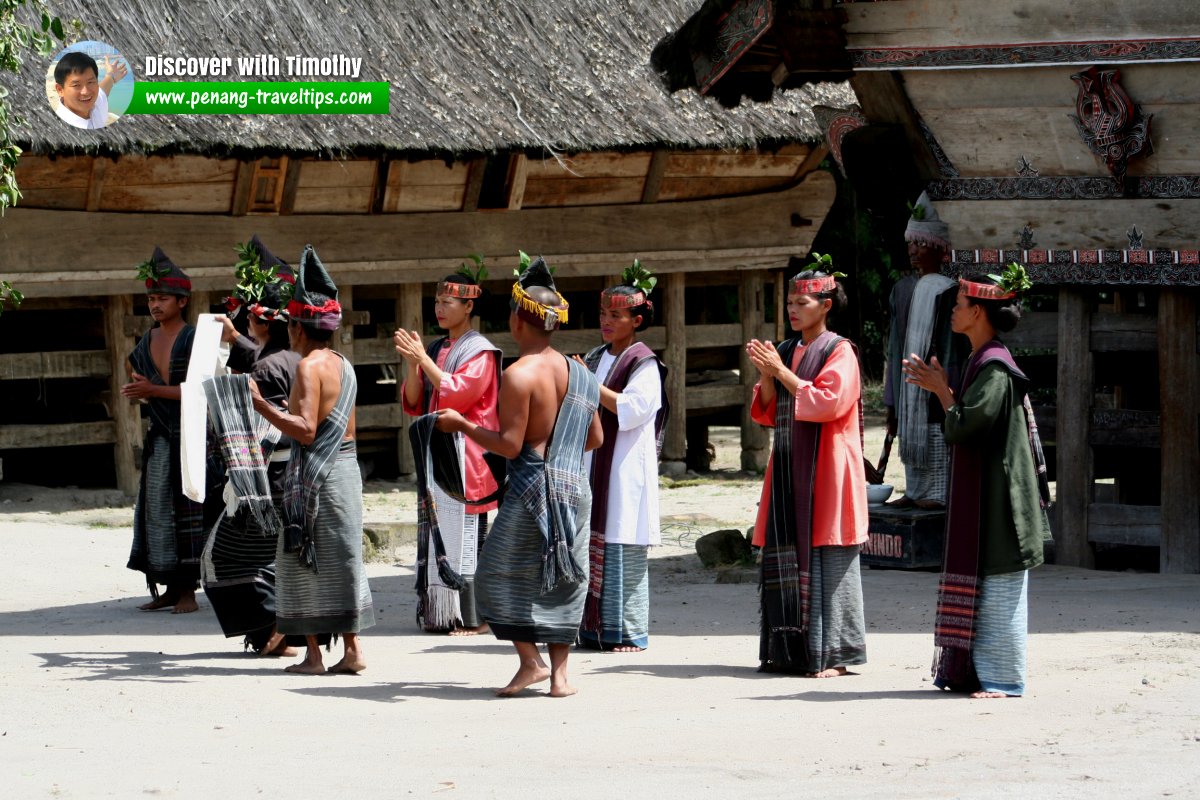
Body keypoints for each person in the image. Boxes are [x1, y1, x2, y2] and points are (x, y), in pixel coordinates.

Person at [435, 256, 602, 697]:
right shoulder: (581, 373)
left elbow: (510, 446)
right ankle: (561, 676)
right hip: (574, 487)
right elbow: (595, 438)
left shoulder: (519, 374)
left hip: (533, 490)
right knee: (565, 575)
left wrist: (463, 425)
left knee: (493, 574)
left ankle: (531, 662)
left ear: (518, 320)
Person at [902, 264, 1050, 699]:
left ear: (980, 313)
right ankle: (983, 674)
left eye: (961, 304)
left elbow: (968, 427)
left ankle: (1004, 679)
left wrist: (942, 392)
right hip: (991, 493)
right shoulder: (979, 361)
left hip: (1003, 498)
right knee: (988, 585)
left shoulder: (996, 368)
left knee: (1002, 586)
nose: (954, 310)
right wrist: (943, 389)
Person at [249, 244, 375, 674]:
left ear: (297, 329)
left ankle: (315, 656)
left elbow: (305, 429)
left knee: (299, 559)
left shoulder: (308, 368)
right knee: (343, 559)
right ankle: (353, 650)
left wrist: (262, 405)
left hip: (317, 476)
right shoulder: (344, 363)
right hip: (345, 471)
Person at [745, 263, 868, 676]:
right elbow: (766, 410)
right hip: (789, 460)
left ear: (825, 305)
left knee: (829, 553)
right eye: (789, 303)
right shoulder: (785, 349)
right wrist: (767, 375)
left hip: (829, 465)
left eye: (802, 303)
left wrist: (780, 372)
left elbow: (829, 403)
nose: (793, 310)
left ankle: (835, 654)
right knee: (789, 548)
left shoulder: (840, 351)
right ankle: (789, 650)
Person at [203, 236, 302, 656]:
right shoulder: (306, 360)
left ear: (260, 322)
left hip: (269, 479)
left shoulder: (268, 365)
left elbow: (270, 429)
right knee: (275, 558)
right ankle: (273, 634)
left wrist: (241, 479)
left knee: (223, 557)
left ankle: (275, 624)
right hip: (299, 476)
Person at [395, 271, 502, 635]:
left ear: (468, 306)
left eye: (448, 302)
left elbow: (456, 393)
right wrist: (414, 365)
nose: (439, 308)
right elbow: (414, 401)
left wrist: (423, 359)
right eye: (437, 301)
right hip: (438, 451)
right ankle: (442, 612)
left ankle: (476, 616)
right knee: (439, 530)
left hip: (467, 456)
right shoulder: (439, 348)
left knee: (472, 539)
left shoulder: (481, 351)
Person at [574, 263, 668, 653]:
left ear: (637, 319)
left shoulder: (643, 362)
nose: (607, 321)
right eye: (603, 314)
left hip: (625, 465)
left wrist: (590, 384)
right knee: (595, 539)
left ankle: (626, 631)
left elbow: (633, 410)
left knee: (622, 543)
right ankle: (593, 629)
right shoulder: (597, 356)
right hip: (596, 461)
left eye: (616, 315)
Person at [123, 248, 205, 613]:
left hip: (191, 438)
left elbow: (201, 391)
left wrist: (152, 390)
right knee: (157, 509)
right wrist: (141, 389)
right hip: (160, 437)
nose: (155, 305)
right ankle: (170, 587)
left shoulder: (195, 339)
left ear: (182, 301)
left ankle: (188, 592)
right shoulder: (146, 339)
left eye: (162, 298)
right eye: (151, 298)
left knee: (189, 511)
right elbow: (142, 381)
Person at [885, 193, 968, 509]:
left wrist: (950, 389)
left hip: (939, 379)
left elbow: (953, 346)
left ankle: (936, 494)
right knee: (910, 434)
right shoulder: (901, 290)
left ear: (940, 248)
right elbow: (895, 348)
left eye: (921, 244)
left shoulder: (950, 291)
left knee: (937, 436)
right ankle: (915, 491)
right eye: (910, 244)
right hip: (908, 380)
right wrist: (892, 399)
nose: (913, 251)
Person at [53, 51, 127, 129]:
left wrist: (111, 75)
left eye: (90, 82)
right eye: (76, 85)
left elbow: (103, 90)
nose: (86, 92)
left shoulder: (96, 104)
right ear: (60, 90)